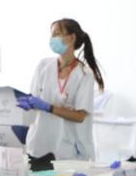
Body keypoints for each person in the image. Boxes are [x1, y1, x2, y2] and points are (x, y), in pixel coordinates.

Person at [17, 18, 104, 167]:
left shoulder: (84, 74)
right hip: (39, 147)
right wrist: (29, 104)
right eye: (52, 35)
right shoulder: (44, 66)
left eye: (57, 34)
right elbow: (34, 99)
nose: (52, 39)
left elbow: (79, 116)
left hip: (68, 151)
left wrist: (49, 107)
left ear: (71, 38)